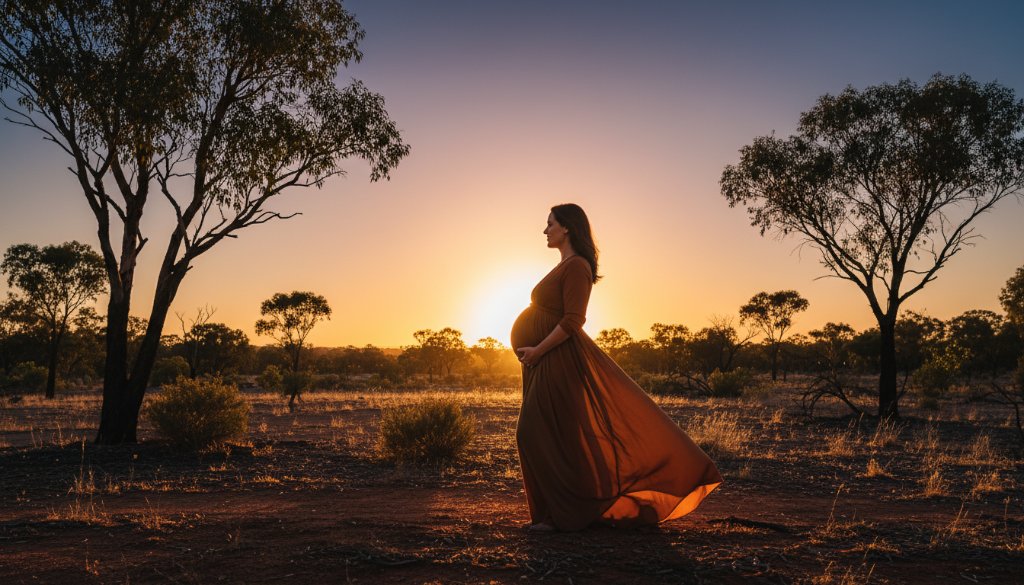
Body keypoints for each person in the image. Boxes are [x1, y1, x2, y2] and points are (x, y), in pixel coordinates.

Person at [511, 203, 722, 532]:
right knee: (555, 436)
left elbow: (573, 320)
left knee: (532, 432)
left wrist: (538, 350)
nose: (545, 230)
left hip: (557, 361)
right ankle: (559, 515)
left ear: (567, 227)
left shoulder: (578, 266)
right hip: (543, 362)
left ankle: (561, 516)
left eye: (550, 223)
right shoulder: (564, 265)